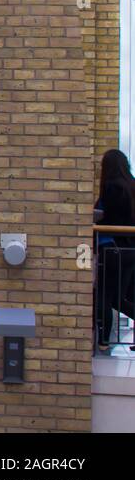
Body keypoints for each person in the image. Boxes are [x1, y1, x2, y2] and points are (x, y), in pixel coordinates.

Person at [94, 149, 135, 350]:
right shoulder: (132, 185)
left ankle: (103, 341)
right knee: (123, 297)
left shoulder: (112, 187)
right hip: (130, 250)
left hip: (112, 248)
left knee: (105, 296)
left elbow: (108, 217)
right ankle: (103, 340)